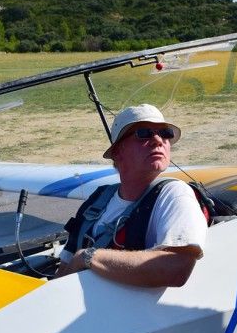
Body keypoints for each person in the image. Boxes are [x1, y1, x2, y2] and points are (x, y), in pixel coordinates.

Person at [56, 104, 208, 287]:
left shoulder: (174, 194)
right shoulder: (99, 198)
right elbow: (63, 271)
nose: (158, 140)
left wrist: (89, 256)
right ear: (118, 151)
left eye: (165, 133)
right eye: (144, 133)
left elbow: (176, 268)